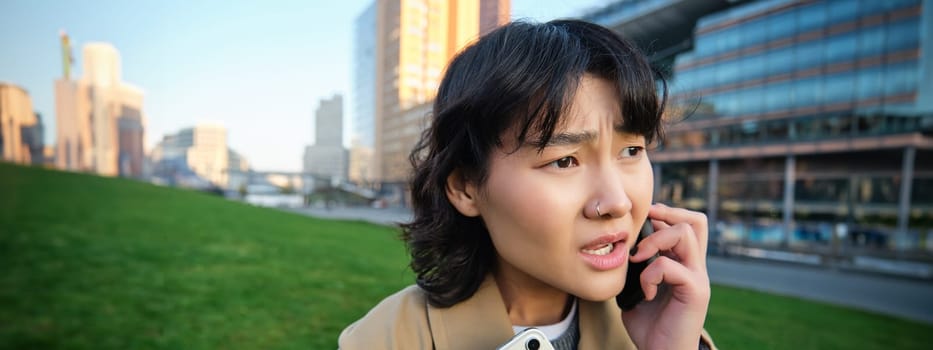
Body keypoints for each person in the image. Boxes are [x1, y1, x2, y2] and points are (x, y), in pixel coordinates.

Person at [339, 19, 715, 350]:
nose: (617, 202)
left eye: (632, 150)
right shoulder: (386, 340)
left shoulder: (666, 329)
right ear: (466, 188)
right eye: (564, 161)